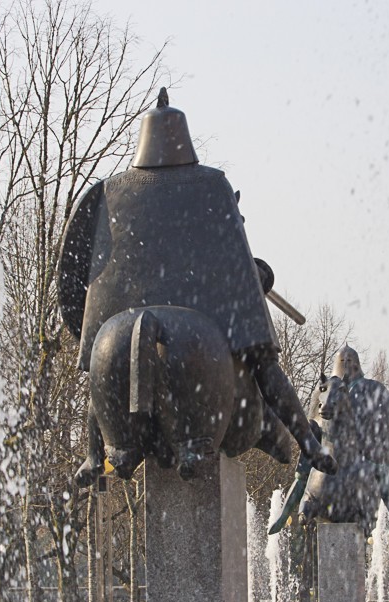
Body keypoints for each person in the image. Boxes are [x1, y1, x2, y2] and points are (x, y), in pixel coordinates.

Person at [58, 88, 336, 478]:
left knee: (104, 347)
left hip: (118, 353)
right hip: (199, 359)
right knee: (259, 363)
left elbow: (95, 321)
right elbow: (259, 351)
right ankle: (303, 443)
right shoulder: (211, 188)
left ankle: (95, 454)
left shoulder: (110, 195)